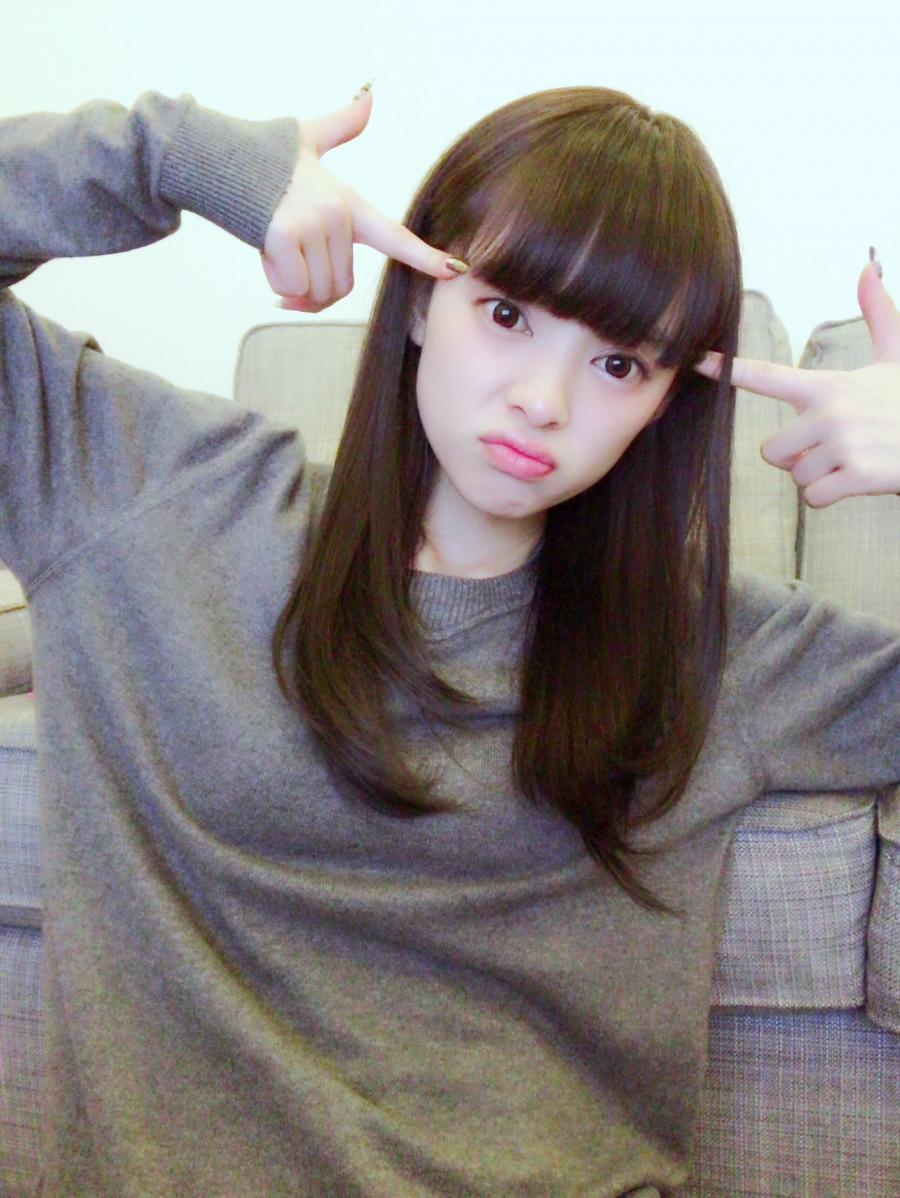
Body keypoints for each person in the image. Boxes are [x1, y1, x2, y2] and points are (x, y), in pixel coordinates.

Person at [0, 82, 897, 1198]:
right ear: (423, 296)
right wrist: (173, 155)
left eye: (619, 363)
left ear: (666, 401)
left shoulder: (711, 648)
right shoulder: (160, 500)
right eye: (508, 314)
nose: (543, 401)